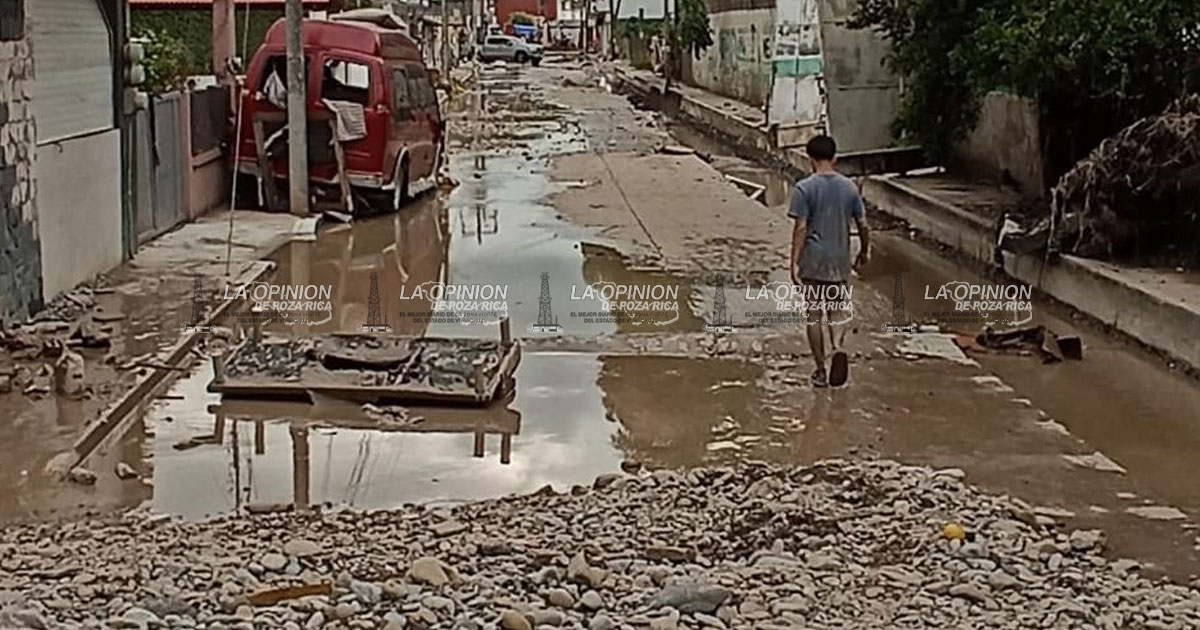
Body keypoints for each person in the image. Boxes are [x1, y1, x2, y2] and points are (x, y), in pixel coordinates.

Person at [788, 134, 870, 388]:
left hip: (813, 259)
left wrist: (793, 261)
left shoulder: (804, 188)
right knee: (836, 309)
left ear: (810, 159)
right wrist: (864, 250)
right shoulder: (849, 188)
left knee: (813, 313)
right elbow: (863, 225)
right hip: (839, 258)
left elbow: (800, 227)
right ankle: (837, 347)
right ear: (834, 157)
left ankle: (821, 370)